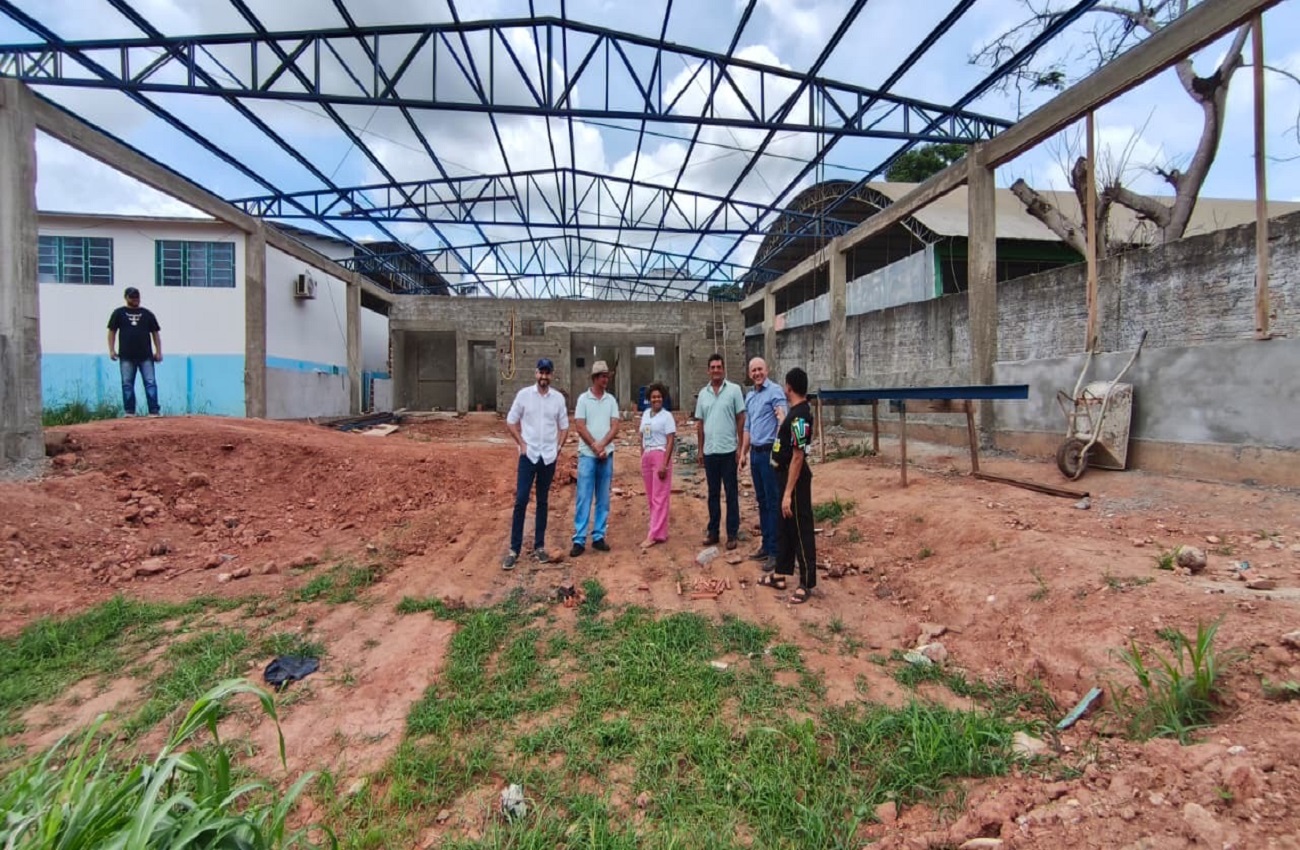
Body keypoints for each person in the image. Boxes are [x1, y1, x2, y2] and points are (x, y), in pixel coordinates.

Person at [503, 358, 569, 570]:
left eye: (547, 373)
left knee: (542, 501)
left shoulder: (558, 399)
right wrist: (521, 443)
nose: (544, 376)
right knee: (521, 500)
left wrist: (558, 448)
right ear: (535, 373)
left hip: (548, 457)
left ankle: (539, 546)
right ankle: (514, 549)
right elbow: (511, 421)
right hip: (529, 455)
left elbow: (564, 426)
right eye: (541, 372)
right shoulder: (524, 395)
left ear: (551, 375)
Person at [758, 367, 816, 604]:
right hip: (783, 476)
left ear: (788, 387)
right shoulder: (794, 414)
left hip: (796, 480)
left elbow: (798, 456)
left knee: (800, 529)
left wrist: (788, 493)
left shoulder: (801, 415)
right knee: (785, 527)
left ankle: (806, 582)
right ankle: (780, 574)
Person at [738, 357, 787, 572]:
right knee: (762, 501)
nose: (757, 373)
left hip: (769, 454)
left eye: (760, 369)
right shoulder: (750, 396)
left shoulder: (775, 392)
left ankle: (776, 552)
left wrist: (777, 452)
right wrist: (743, 453)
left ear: (766, 370)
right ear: (750, 374)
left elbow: (782, 422)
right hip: (756, 456)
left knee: (773, 502)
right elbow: (748, 426)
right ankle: (766, 545)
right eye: (753, 370)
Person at [694, 353, 745, 550]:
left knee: (731, 493)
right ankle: (713, 532)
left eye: (719, 367)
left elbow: (741, 418)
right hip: (710, 452)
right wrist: (700, 450)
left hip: (729, 451)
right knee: (713, 493)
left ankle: (732, 534)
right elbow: (700, 424)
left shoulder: (734, 391)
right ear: (708, 370)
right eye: (712, 367)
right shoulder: (703, 394)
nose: (716, 370)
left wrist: (740, 447)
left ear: (723, 369)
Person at [571, 360, 620, 557]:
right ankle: (579, 539)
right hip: (587, 455)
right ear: (594, 378)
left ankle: (598, 536)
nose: (605, 379)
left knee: (603, 498)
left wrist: (603, 445)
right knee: (584, 497)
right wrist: (594, 445)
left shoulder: (611, 401)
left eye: (606, 376)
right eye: (602, 376)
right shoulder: (583, 400)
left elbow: (615, 426)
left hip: (605, 455)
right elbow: (580, 426)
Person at [106, 286, 162, 417]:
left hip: (146, 356)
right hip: (126, 356)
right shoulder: (118, 313)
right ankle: (130, 411)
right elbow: (112, 332)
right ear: (126, 297)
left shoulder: (147, 314)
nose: (135, 299)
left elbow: (155, 333)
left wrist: (158, 351)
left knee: (150, 383)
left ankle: (154, 410)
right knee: (127, 384)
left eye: (137, 296)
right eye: (132, 296)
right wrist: (111, 350)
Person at [638, 382, 676, 549]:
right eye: (653, 397)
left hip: (660, 455)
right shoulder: (646, 414)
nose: (656, 399)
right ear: (649, 399)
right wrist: (642, 454)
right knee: (652, 497)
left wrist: (665, 464)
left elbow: (670, 440)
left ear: (663, 398)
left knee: (660, 497)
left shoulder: (667, 417)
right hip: (647, 455)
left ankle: (652, 535)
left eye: (659, 396)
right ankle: (660, 532)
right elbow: (641, 435)